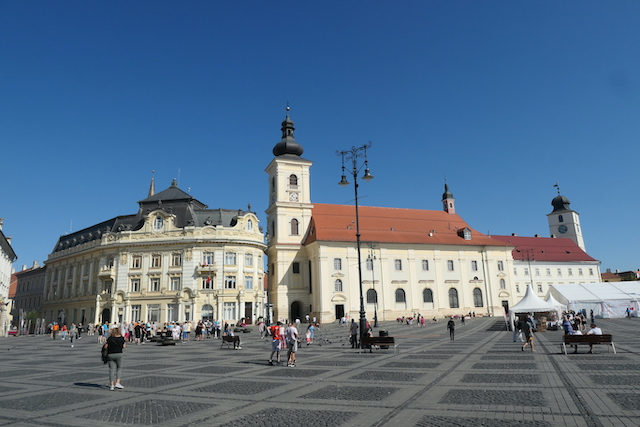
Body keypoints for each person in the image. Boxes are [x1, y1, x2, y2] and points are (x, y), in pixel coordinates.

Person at [104, 327, 126, 391]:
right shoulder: (121, 338)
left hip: (110, 354)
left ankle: (111, 385)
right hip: (119, 354)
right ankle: (118, 383)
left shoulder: (110, 338)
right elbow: (124, 346)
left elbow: (106, 346)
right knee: (119, 368)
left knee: (111, 370)